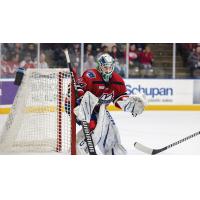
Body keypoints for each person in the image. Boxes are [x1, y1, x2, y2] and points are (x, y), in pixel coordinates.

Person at [75, 53, 147, 155]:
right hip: (81, 107)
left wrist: (130, 104)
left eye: (110, 68)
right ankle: (78, 147)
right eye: (105, 67)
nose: (108, 70)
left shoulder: (117, 80)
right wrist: (77, 102)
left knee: (112, 134)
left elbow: (120, 98)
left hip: (99, 109)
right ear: (100, 66)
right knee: (94, 127)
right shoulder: (91, 75)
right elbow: (78, 89)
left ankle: (112, 151)